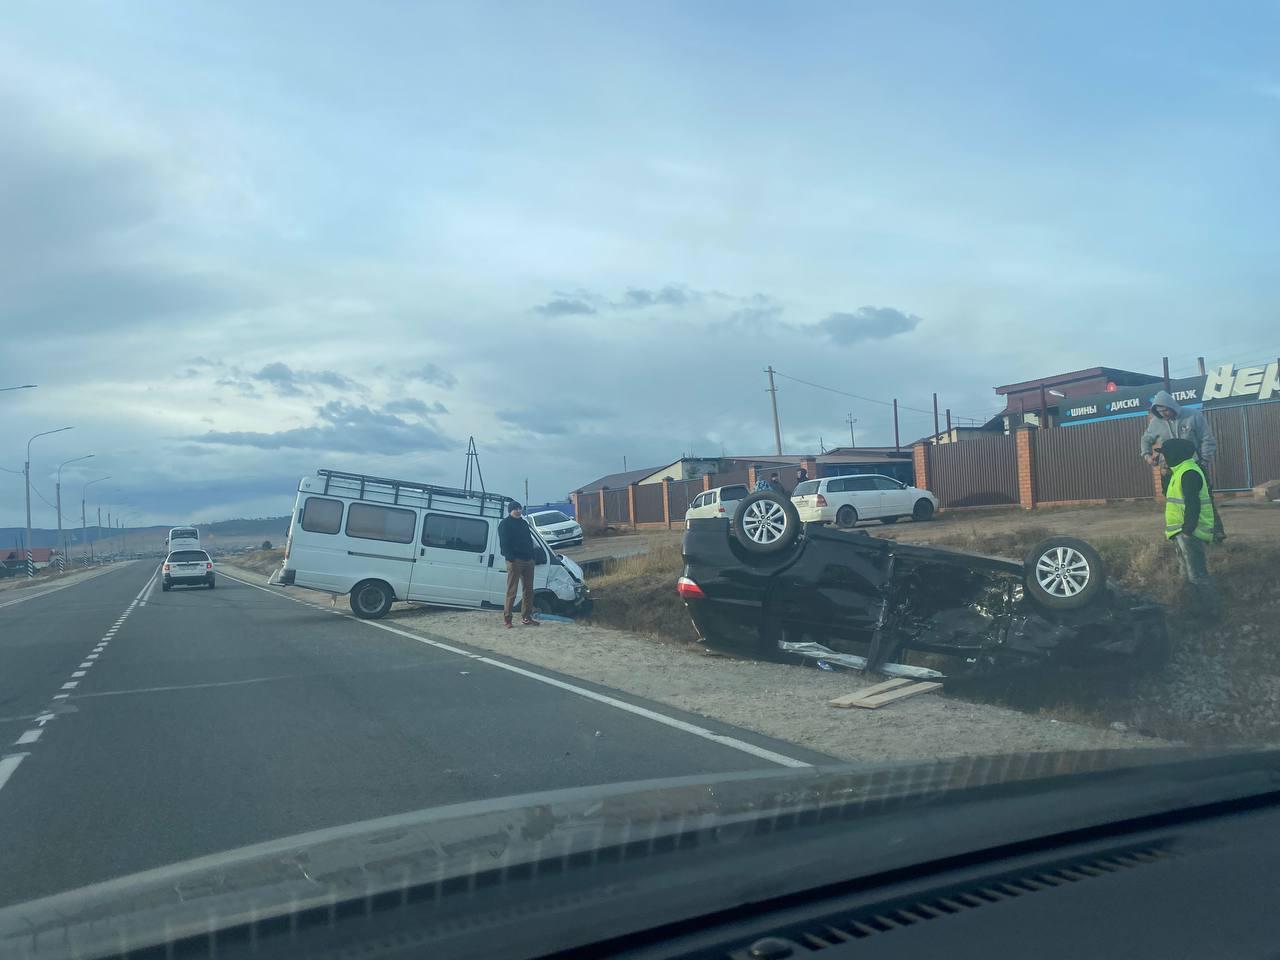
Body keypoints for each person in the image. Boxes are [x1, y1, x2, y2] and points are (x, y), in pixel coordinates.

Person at [1140, 390, 1224, 541]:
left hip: (1193, 468)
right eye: (1159, 411)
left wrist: (1203, 461)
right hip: (1169, 471)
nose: (1163, 413)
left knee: (1204, 501)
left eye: (1165, 409)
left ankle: (1216, 534)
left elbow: (1207, 439)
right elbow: (1146, 439)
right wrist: (1147, 455)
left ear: (1172, 405)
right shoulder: (1156, 423)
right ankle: (1181, 535)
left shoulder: (1193, 416)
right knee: (1175, 503)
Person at [1157, 438, 1219, 619]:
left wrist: (1188, 530)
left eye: (1166, 454)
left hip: (1191, 533)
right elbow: (1166, 493)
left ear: (1176, 454)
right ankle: (1194, 611)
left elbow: (1193, 503)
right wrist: (1164, 474)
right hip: (1182, 533)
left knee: (1197, 576)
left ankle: (1210, 614)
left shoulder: (1189, 472)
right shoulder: (1179, 471)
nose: (1164, 458)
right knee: (1188, 575)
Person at [498, 502, 541, 627]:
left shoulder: (523, 523)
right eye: (516, 509)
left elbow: (529, 540)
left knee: (529, 590)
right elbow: (504, 543)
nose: (518, 510)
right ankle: (507, 619)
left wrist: (533, 556)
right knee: (512, 590)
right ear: (510, 510)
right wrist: (510, 557)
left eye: (519, 508)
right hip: (514, 561)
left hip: (528, 560)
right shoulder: (505, 524)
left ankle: (527, 617)